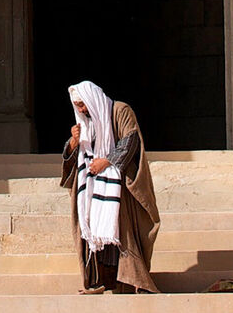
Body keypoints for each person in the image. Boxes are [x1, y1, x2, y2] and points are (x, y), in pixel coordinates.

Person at [60, 80, 160, 294]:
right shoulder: (85, 122)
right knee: (96, 236)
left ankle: (133, 281)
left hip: (118, 187)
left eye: (83, 104)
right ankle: (100, 280)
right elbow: (78, 154)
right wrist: (73, 143)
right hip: (92, 189)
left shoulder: (120, 111)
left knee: (121, 232)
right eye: (77, 106)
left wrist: (107, 162)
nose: (81, 109)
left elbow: (130, 141)